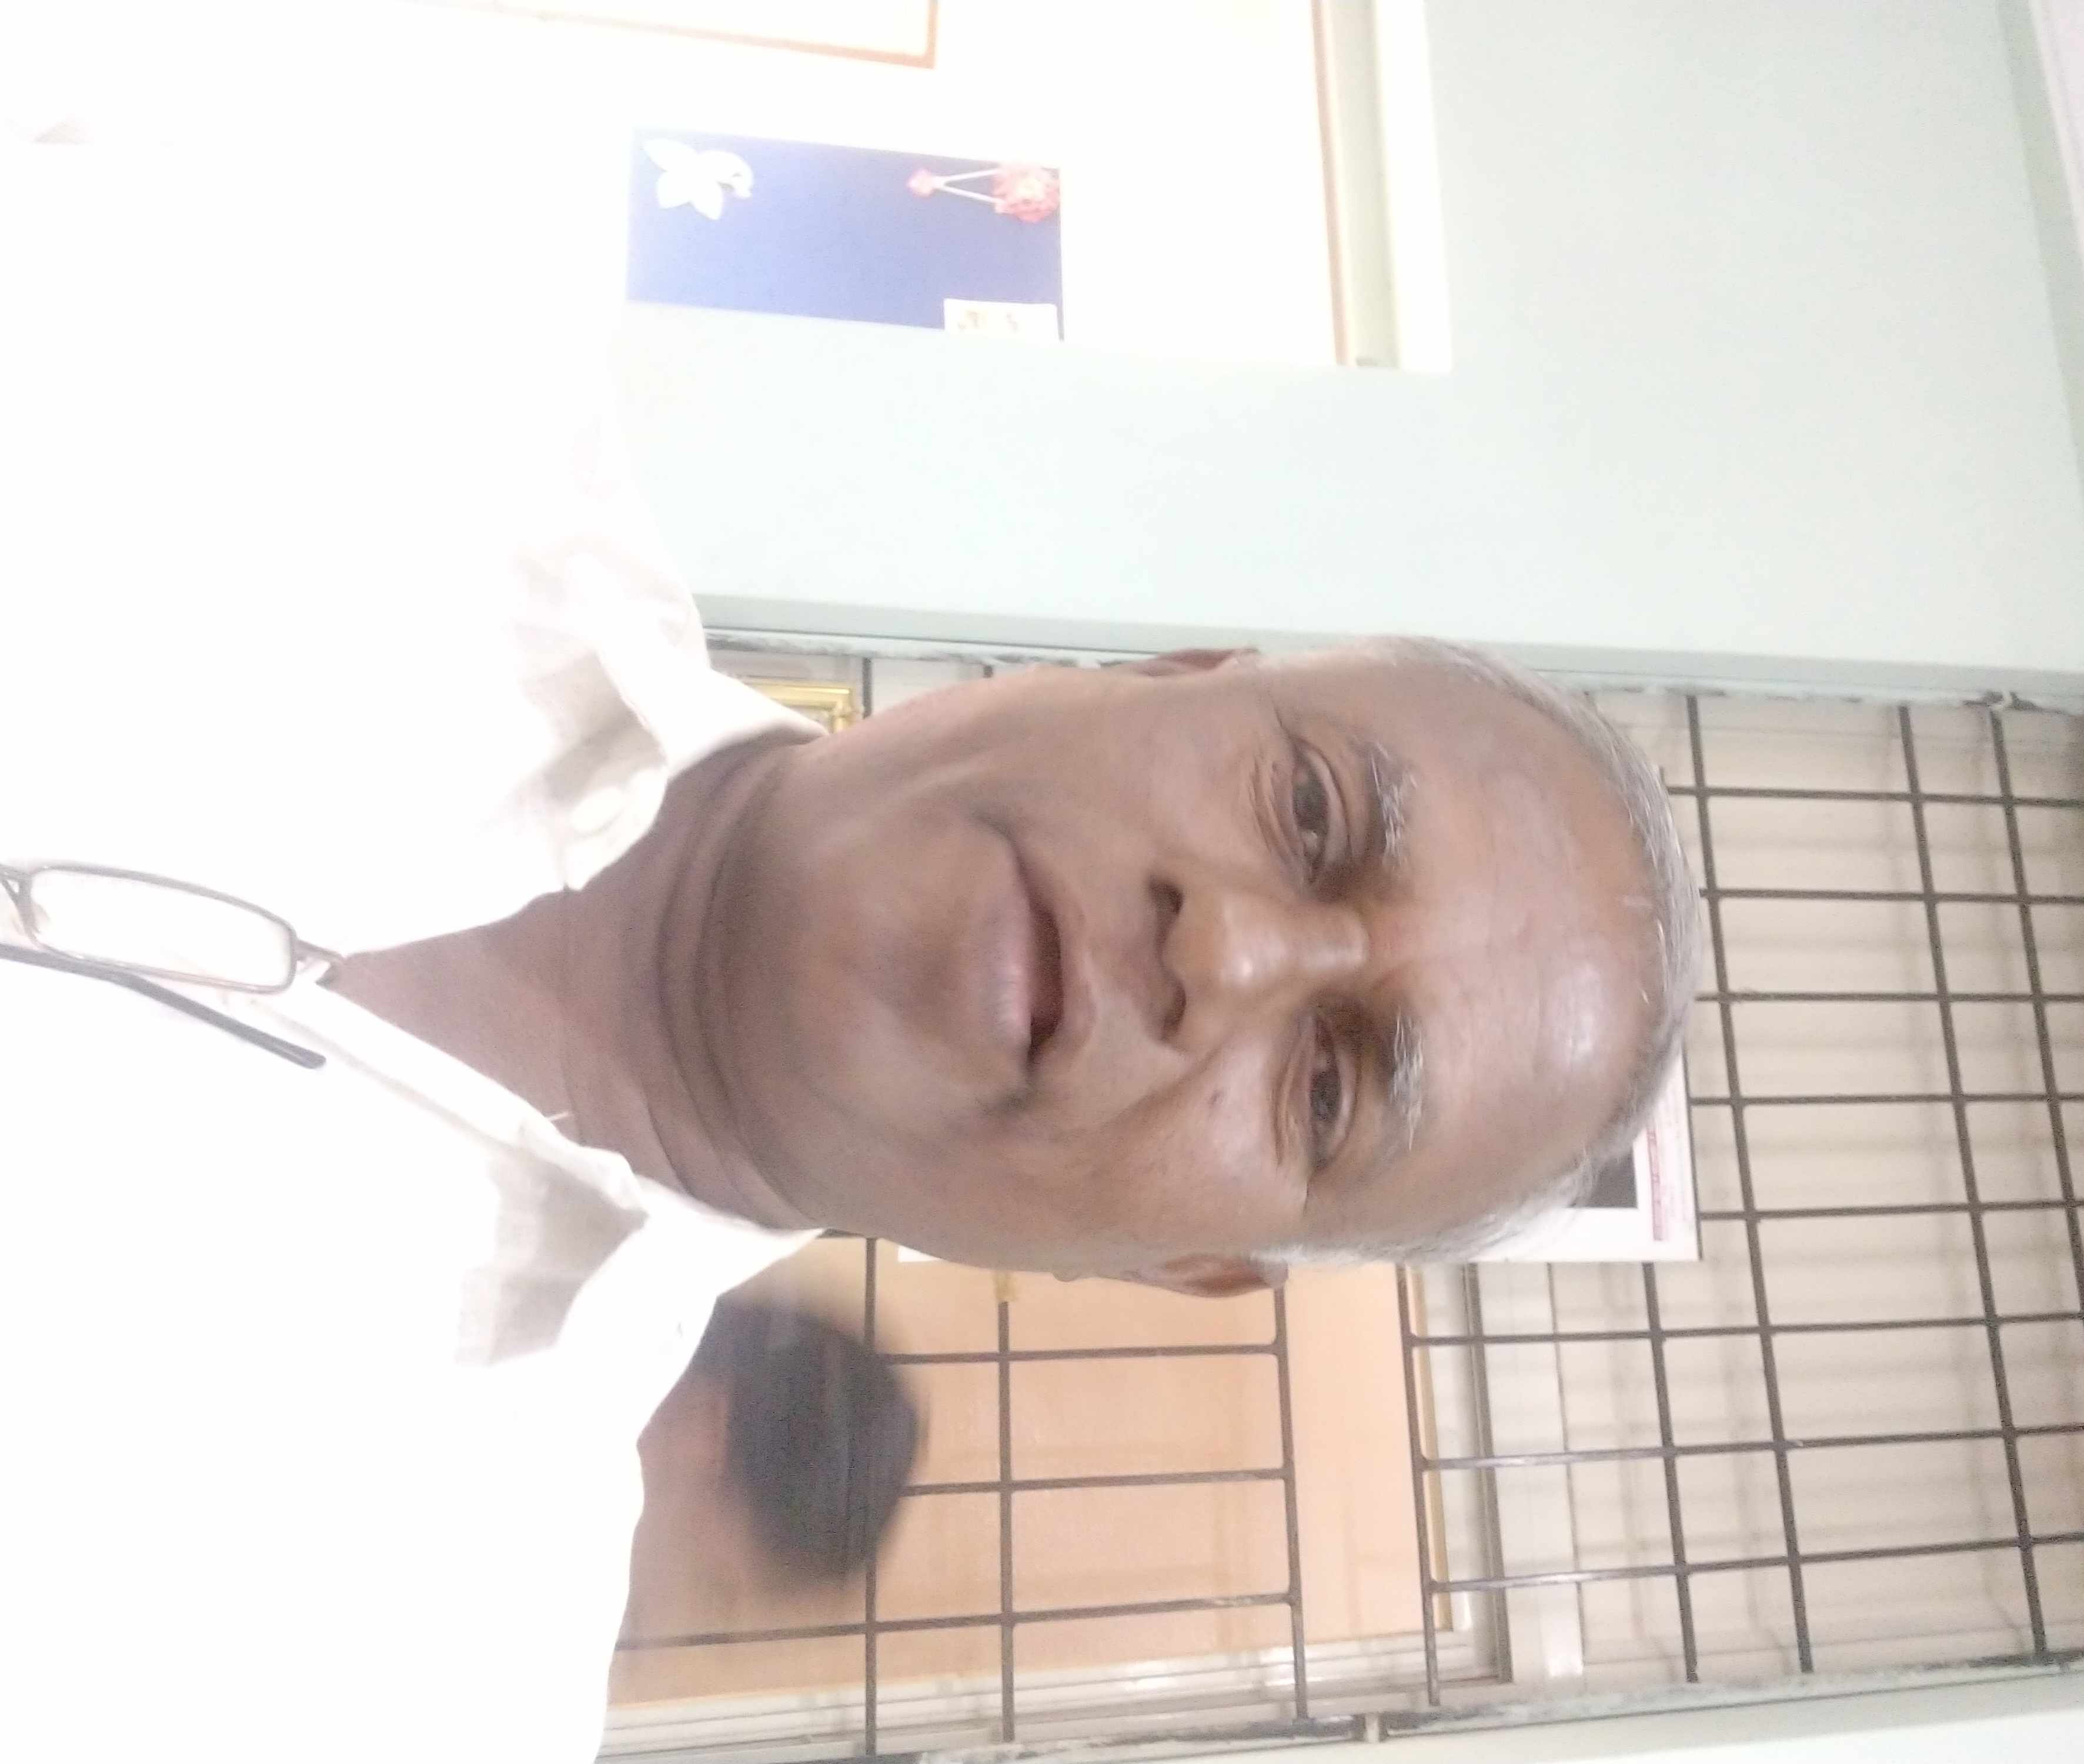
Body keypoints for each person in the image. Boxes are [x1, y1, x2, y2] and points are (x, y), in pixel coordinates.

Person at [0, 34, 1696, 1763]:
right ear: (1168, 673)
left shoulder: (394, 1671)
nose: (1235, 947)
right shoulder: (386, 244)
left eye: (1327, 1087)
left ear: (1190, 1264)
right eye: (1310, 808)